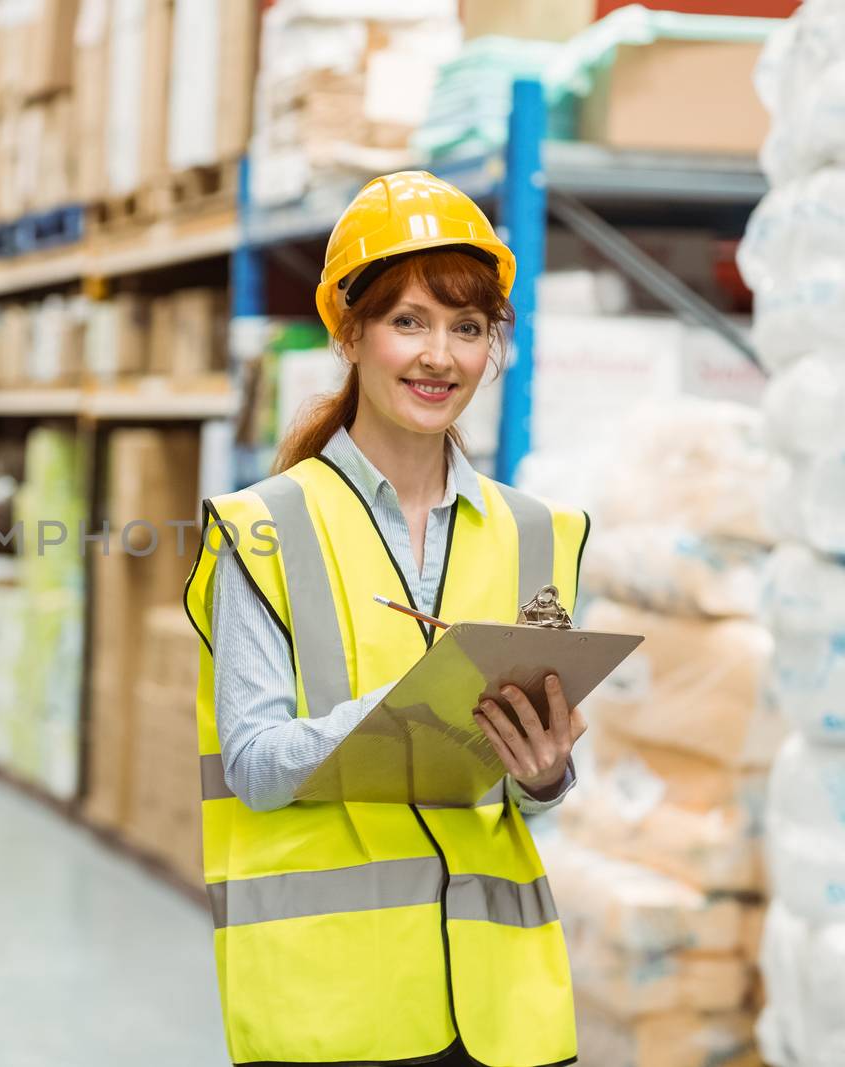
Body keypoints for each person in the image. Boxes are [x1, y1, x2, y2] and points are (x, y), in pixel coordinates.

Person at [184, 172, 589, 1067]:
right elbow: (252, 762)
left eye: (468, 327)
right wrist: (403, 716)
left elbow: (534, 786)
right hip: (337, 1009)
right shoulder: (264, 529)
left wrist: (549, 773)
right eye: (409, 320)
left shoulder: (538, 535)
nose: (439, 355)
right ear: (350, 331)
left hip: (505, 1009)